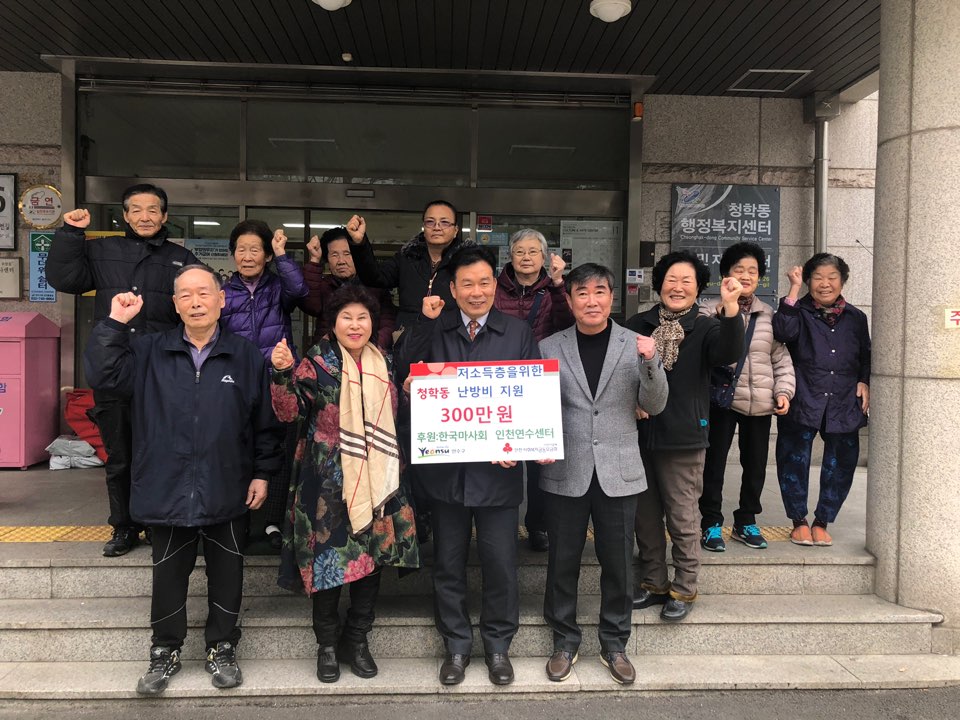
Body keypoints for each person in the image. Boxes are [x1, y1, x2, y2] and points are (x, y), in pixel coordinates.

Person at [83, 265, 281, 696]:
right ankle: (164, 651)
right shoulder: (149, 350)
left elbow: (263, 423)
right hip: (166, 484)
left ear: (221, 299)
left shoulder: (245, 355)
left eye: (203, 293)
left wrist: (263, 473)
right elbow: (101, 376)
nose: (195, 302)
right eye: (185, 295)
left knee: (228, 572)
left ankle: (222, 647)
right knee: (168, 575)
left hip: (227, 483)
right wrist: (115, 323)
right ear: (174, 304)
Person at [395, 245, 539, 687]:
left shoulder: (517, 333)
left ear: (495, 286)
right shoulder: (433, 329)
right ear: (452, 289)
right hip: (445, 476)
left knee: (500, 564)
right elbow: (403, 373)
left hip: (498, 474)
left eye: (484, 283)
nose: (477, 292)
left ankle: (498, 647)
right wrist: (422, 322)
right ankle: (456, 646)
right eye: (467, 284)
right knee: (449, 565)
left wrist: (519, 441)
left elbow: (531, 401)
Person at [270, 284, 419, 684]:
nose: (355, 325)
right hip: (327, 483)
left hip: (380, 477)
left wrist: (407, 394)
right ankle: (328, 646)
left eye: (363, 317)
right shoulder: (316, 363)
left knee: (369, 562)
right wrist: (281, 373)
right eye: (346, 318)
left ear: (373, 323)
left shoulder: (383, 362)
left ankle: (358, 640)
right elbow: (289, 412)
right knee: (330, 564)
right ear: (333, 324)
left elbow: (392, 417)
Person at [46, 184, 199, 557]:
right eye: (137, 210)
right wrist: (70, 234)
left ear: (165, 216)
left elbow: (200, 304)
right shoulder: (101, 250)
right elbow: (65, 279)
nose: (145, 216)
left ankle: (159, 521)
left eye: (153, 210)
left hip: (163, 371)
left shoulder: (181, 258)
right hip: (114, 367)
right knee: (120, 454)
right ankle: (124, 526)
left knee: (163, 451)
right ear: (125, 215)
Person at [537, 263, 668, 685]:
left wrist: (651, 362)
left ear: (613, 296)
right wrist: (535, 442)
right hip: (564, 469)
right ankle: (564, 640)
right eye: (582, 293)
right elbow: (537, 407)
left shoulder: (637, 344)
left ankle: (615, 643)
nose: (591, 301)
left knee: (618, 563)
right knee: (562, 561)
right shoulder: (548, 347)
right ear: (570, 300)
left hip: (619, 471)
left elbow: (657, 403)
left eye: (599, 292)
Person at [627, 250, 744, 622]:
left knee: (682, 516)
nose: (677, 287)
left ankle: (684, 586)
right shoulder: (637, 323)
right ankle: (653, 582)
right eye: (671, 280)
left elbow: (729, 351)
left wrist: (730, 307)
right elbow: (620, 373)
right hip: (639, 435)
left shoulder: (708, 327)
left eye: (686, 281)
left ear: (697, 288)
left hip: (684, 436)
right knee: (644, 518)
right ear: (659, 283)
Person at [699, 242, 796, 552]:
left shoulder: (767, 315)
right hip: (722, 401)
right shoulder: (708, 311)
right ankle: (711, 522)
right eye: (739, 270)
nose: (746, 275)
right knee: (713, 464)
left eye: (752, 271)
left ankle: (746, 520)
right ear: (726, 275)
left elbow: (780, 359)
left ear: (760, 278)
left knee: (755, 466)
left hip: (760, 404)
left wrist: (783, 391)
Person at [220, 219, 308, 550]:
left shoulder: (277, 288)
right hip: (237, 382)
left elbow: (300, 291)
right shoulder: (224, 293)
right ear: (233, 255)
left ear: (266, 255)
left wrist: (284, 255)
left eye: (255, 249)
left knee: (280, 450)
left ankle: (273, 522)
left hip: (278, 380)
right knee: (240, 448)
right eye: (241, 249)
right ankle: (240, 520)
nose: (247, 255)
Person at [773, 254, 870, 547]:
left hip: (843, 400)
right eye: (817, 277)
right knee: (793, 460)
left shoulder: (856, 318)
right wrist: (792, 290)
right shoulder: (796, 310)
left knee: (841, 463)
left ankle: (822, 521)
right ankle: (799, 521)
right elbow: (782, 332)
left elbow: (865, 355)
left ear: (842, 281)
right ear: (808, 281)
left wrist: (865, 380)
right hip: (804, 397)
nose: (825, 284)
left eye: (832, 277)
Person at [494, 229, 574, 552]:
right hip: (500, 385)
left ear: (544, 257)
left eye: (533, 252)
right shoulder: (495, 289)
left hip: (540, 385)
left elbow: (567, 324)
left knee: (540, 464)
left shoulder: (554, 288)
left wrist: (558, 285)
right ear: (509, 256)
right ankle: (503, 526)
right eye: (519, 251)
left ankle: (537, 525)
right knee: (503, 458)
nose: (526, 257)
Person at [346, 200, 471, 330]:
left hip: (451, 340)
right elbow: (374, 277)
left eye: (444, 222)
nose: (437, 227)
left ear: (456, 230)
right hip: (409, 340)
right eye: (430, 222)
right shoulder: (407, 257)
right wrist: (359, 243)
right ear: (424, 227)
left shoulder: (466, 262)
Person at [301, 226, 398, 350]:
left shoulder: (375, 286)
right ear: (327, 259)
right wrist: (314, 259)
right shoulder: (324, 286)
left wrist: (369, 347)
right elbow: (311, 307)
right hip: (328, 357)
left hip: (367, 356)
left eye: (347, 254)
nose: (341, 261)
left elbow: (388, 324)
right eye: (334, 255)